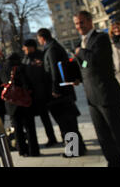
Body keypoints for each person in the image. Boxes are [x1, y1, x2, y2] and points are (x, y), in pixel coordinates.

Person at [74, 11, 120, 167]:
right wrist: (79, 75)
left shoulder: (100, 38)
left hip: (107, 94)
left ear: (90, 22)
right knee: (103, 135)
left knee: (118, 133)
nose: (79, 26)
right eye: (76, 23)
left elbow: (94, 60)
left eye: (82, 22)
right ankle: (113, 162)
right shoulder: (83, 42)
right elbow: (87, 65)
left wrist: (80, 53)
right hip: (92, 97)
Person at [37, 28, 87, 158]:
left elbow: (54, 70)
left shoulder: (51, 49)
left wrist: (55, 89)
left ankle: (74, 150)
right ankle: (79, 148)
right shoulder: (54, 46)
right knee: (69, 122)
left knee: (66, 123)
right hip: (64, 91)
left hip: (60, 94)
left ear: (42, 38)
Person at [0, 53, 40, 157]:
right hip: (24, 102)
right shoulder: (23, 68)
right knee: (30, 128)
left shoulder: (3, 69)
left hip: (11, 103)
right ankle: (33, 150)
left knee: (17, 128)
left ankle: (22, 150)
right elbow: (30, 83)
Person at [21, 39, 59, 147]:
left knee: (48, 117)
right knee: (41, 118)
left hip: (44, 93)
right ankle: (48, 138)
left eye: (25, 47)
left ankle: (52, 137)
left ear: (31, 47)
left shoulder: (41, 56)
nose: (23, 49)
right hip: (32, 95)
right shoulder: (25, 60)